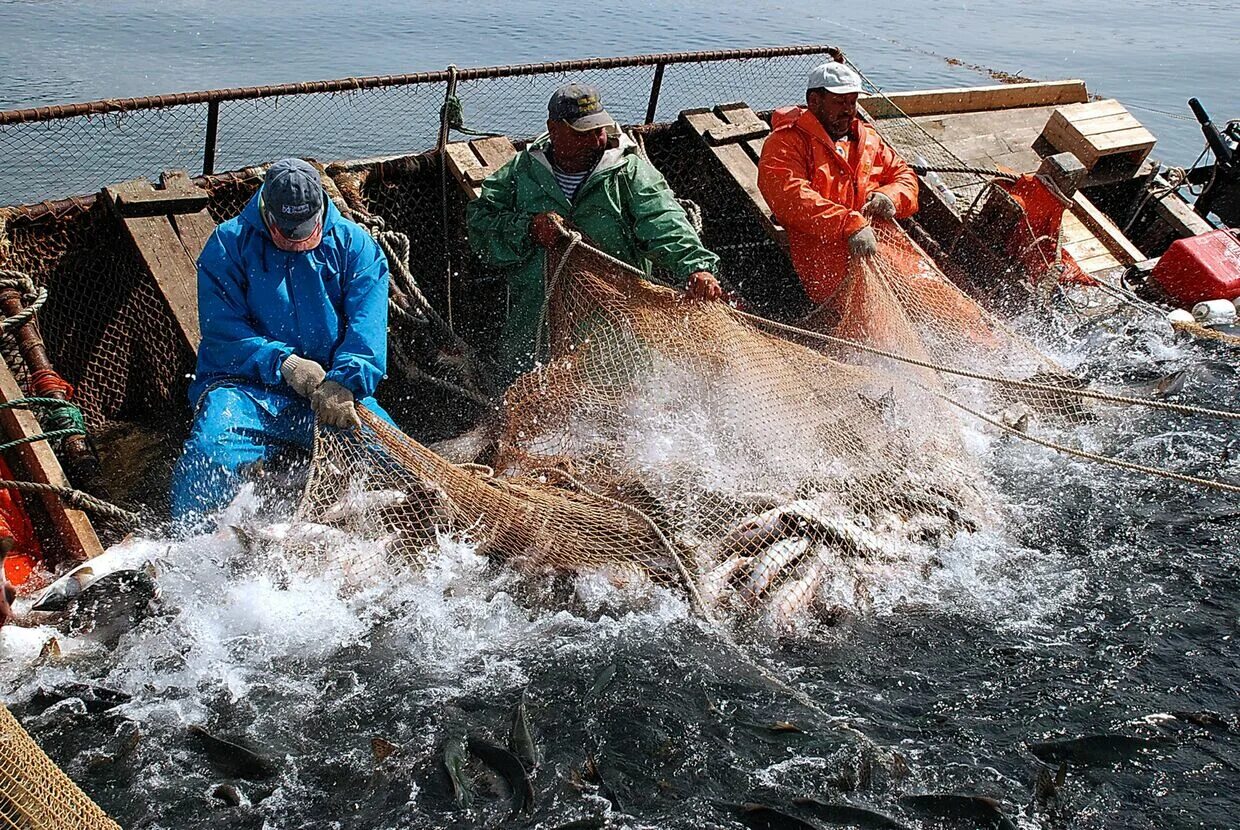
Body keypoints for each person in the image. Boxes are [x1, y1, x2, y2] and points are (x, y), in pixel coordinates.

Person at [170, 158, 395, 523]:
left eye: (306, 230)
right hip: (246, 391)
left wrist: (345, 381)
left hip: (333, 392)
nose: (297, 240)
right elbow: (224, 335)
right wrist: (284, 364)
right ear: (266, 214)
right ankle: (189, 547)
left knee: (395, 461)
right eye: (287, 232)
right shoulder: (227, 246)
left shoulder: (357, 246)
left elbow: (367, 329)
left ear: (322, 209)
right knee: (210, 452)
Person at [467, 82, 723, 381]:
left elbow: (663, 219)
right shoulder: (520, 172)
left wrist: (696, 267)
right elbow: (481, 228)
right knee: (523, 403)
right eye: (582, 133)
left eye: (599, 129)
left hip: (614, 325)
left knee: (621, 399)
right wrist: (528, 229)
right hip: (534, 323)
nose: (595, 140)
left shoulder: (629, 172)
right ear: (554, 129)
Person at [757, 61, 919, 309]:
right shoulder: (785, 142)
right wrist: (848, 224)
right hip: (826, 254)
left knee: (936, 292)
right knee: (868, 312)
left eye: (852, 102)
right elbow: (789, 196)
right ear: (814, 101)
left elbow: (903, 175)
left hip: (883, 242)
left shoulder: (867, 138)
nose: (848, 110)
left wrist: (891, 197)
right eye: (839, 102)